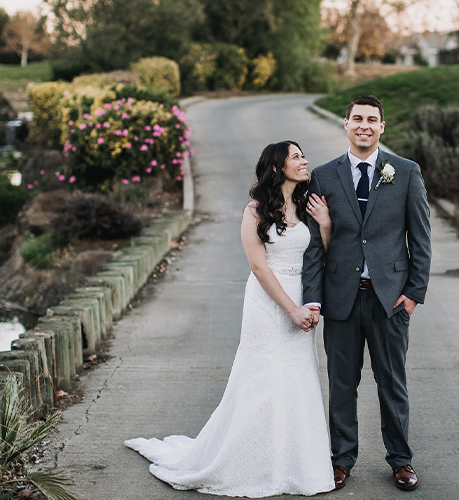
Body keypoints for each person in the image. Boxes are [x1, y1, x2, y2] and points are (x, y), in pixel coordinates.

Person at [124, 141, 336, 498]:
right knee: (261, 378)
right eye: (296, 157)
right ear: (276, 167)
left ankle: (294, 463)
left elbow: (318, 255)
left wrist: (325, 225)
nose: (304, 161)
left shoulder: (306, 206)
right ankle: (247, 462)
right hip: (269, 303)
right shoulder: (254, 211)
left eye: (303, 156)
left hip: (302, 296)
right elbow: (258, 266)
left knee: (298, 377)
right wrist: (291, 309)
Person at [302, 94, 432, 491]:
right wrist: (313, 297)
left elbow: (421, 238)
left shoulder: (405, 172)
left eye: (371, 120)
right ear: (345, 124)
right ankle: (340, 460)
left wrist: (413, 294)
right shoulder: (324, 176)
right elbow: (312, 244)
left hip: (389, 300)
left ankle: (401, 461)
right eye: (357, 118)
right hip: (341, 297)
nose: (364, 125)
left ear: (381, 127)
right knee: (342, 384)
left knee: (392, 382)